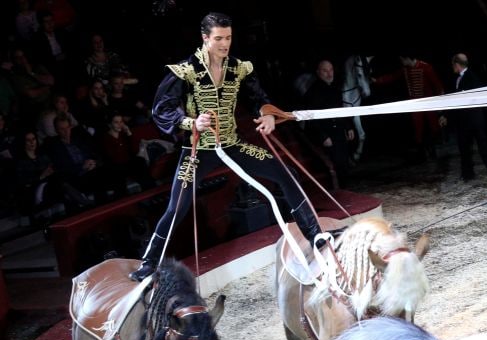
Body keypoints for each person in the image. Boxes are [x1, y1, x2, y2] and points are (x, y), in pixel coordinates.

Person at [129, 12, 323, 282]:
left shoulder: (238, 67)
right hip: (198, 151)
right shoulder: (185, 71)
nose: (225, 44)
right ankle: (148, 264)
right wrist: (192, 122)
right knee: (176, 207)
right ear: (205, 38)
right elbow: (161, 110)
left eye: (228, 38)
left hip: (233, 145)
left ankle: (315, 236)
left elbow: (258, 98)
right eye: (219, 38)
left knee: (285, 172)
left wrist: (267, 114)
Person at [439, 53, 487, 188]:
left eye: (453, 65)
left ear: (457, 65)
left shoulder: (472, 77)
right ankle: (467, 174)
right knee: (464, 149)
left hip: (474, 121)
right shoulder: (457, 79)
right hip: (463, 122)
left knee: (484, 150)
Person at [371, 52, 444, 161]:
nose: (401, 62)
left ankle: (432, 150)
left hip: (428, 104)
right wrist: (377, 80)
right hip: (414, 105)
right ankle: (421, 153)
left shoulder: (426, 67)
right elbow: (392, 77)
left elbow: (438, 87)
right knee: (417, 129)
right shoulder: (405, 69)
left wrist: (441, 108)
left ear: (407, 59)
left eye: (402, 59)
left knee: (431, 127)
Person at [304, 58, 354, 188]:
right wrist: (323, 136)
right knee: (335, 164)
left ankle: (347, 190)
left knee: (344, 162)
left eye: (331, 70)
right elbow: (311, 117)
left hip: (339, 132)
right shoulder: (313, 92)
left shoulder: (336, 88)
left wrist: (348, 127)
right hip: (327, 134)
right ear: (318, 72)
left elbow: (340, 110)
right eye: (325, 71)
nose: (329, 73)